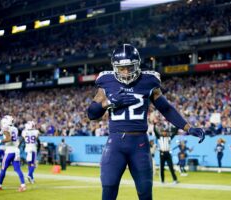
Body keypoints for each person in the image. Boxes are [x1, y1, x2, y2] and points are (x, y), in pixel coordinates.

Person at [87, 44, 205, 200]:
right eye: (122, 68)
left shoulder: (148, 81)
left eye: (130, 67)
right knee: (108, 187)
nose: (126, 72)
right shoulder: (106, 82)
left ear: (137, 65)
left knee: (145, 192)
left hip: (139, 144)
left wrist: (188, 127)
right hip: (115, 142)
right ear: (115, 67)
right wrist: (107, 102)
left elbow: (166, 108)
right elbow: (91, 114)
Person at [0, 115, 26, 192]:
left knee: (3, 168)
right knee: (17, 169)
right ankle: (23, 185)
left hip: (9, 151)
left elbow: (8, 138)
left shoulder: (6, 127)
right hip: (16, 151)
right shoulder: (15, 129)